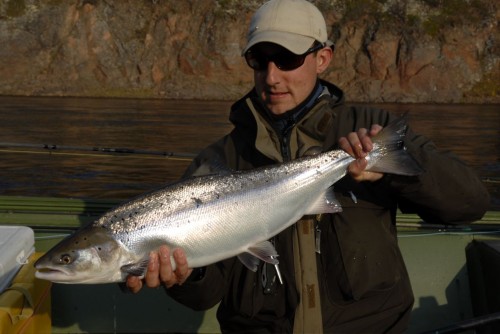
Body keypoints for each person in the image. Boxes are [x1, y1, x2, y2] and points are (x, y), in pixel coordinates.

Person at [126, 0, 490, 332]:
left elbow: (470, 203)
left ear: (323, 58)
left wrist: (393, 169)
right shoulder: (216, 162)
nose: (271, 77)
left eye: (287, 59)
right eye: (259, 60)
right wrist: (184, 278)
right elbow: (206, 295)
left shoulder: (372, 128)